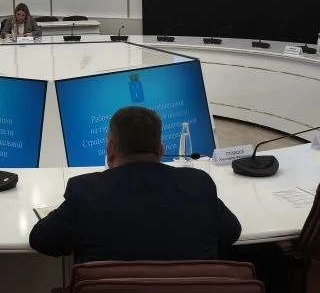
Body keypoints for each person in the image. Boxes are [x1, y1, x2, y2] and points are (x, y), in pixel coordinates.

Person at [29, 106, 241, 263]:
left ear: (110, 151)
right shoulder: (199, 184)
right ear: (161, 150)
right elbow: (231, 232)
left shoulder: (85, 191)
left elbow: (42, 240)